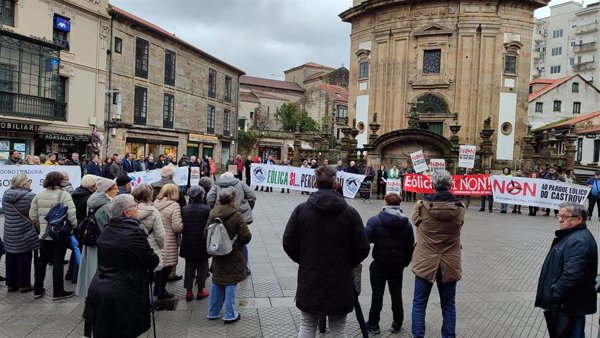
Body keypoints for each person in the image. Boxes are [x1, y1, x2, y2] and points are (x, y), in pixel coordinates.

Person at [283, 165, 370, 337]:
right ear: (335, 183)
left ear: (315, 183)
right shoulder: (350, 213)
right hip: (339, 277)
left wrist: (305, 259)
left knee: (307, 325)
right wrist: (347, 262)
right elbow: (363, 247)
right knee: (338, 328)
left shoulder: (301, 210)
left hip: (311, 276)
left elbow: (288, 242)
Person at [83, 194, 159, 338]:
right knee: (124, 331)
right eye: (135, 206)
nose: (138, 209)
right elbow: (152, 260)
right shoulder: (133, 233)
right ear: (127, 212)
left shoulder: (107, 229)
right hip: (122, 293)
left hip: (100, 286)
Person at [411, 170, 465, 338]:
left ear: (433, 185)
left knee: (419, 304)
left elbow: (414, 221)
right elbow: (461, 224)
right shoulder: (460, 207)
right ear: (450, 185)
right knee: (448, 304)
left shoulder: (421, 205)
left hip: (425, 260)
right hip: (450, 262)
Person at [535, 202, 597, 338]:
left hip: (567, 306)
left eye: (565, 216)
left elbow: (572, 275)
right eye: (559, 215)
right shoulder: (573, 236)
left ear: (579, 219)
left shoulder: (577, 241)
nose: (560, 219)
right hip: (569, 304)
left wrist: (555, 293)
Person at [365, 193, 414, 334]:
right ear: (400, 204)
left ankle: (374, 324)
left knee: (377, 294)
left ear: (385, 203)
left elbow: (365, 239)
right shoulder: (407, 225)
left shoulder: (375, 221)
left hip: (379, 263)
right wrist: (405, 263)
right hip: (397, 265)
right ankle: (397, 322)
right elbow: (410, 247)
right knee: (396, 294)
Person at [30, 171, 78, 299]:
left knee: (42, 260)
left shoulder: (38, 195)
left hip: (44, 235)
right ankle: (58, 291)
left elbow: (32, 215)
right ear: (60, 181)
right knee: (58, 261)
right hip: (59, 233)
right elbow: (72, 214)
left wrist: (41, 228)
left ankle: (38, 289)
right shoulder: (64, 194)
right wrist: (72, 227)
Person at [206, 187, 251, 323]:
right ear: (233, 199)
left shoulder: (213, 213)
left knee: (217, 280)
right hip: (233, 253)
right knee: (230, 282)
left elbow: (206, 233)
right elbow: (246, 236)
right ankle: (230, 314)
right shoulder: (236, 215)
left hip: (217, 253)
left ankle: (213, 312)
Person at [76, 177, 118, 298]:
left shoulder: (92, 201)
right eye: (115, 188)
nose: (117, 191)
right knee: (98, 272)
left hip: (91, 240)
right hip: (102, 242)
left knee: (89, 270)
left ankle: (89, 296)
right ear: (107, 190)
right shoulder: (108, 206)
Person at [207, 171, 256, 275]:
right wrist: (247, 209)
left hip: (220, 216)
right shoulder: (240, 183)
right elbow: (252, 196)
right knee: (242, 243)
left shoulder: (217, 185)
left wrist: (215, 209)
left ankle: (218, 266)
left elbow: (209, 198)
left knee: (219, 238)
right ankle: (244, 268)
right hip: (240, 216)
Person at [2, 173, 38, 293]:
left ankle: (11, 284)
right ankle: (24, 284)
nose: (30, 182)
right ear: (23, 184)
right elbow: (34, 214)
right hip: (24, 231)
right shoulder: (30, 196)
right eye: (29, 181)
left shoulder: (6, 194)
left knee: (11, 256)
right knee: (25, 257)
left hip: (9, 231)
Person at [180, 186, 211, 302]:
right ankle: (201, 291)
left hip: (188, 242)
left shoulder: (184, 209)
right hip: (202, 242)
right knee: (202, 267)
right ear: (202, 195)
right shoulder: (206, 209)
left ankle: (188, 292)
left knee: (189, 267)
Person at [153, 183, 183, 300]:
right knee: (167, 267)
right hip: (169, 239)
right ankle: (161, 291)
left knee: (159, 264)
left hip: (157, 238)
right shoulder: (174, 206)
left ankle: (156, 289)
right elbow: (177, 227)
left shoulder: (155, 203)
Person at [66, 175, 97, 283]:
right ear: (92, 185)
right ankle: (76, 276)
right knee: (81, 251)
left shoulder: (76, 193)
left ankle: (70, 273)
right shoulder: (89, 197)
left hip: (76, 224)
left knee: (76, 250)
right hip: (83, 226)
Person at [132, 183, 165, 276]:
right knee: (150, 277)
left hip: (133, 245)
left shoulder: (129, 210)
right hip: (150, 246)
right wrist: (161, 246)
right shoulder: (154, 212)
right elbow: (160, 235)